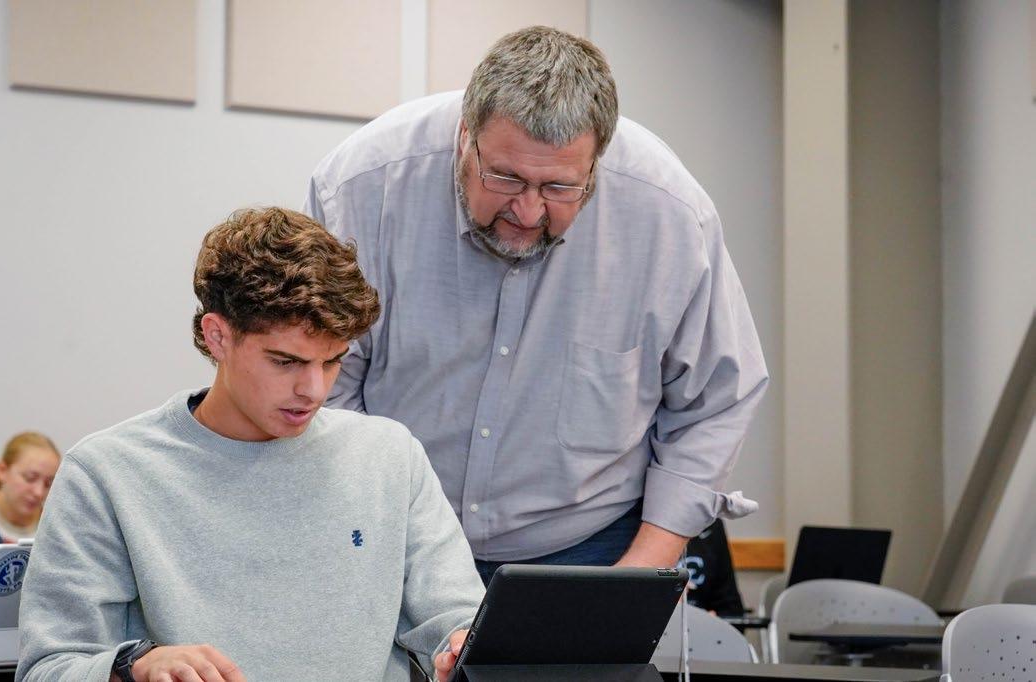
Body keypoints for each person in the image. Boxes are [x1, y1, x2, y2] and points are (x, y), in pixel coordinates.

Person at [306, 26, 769, 584]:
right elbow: (324, 379)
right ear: (465, 136)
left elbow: (716, 401)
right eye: (505, 177)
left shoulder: (670, 215)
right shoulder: (361, 187)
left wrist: (637, 574)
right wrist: (376, 536)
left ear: (596, 163)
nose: (527, 212)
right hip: (392, 527)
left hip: (593, 544)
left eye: (559, 188)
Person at [17, 208, 484, 682]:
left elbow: (457, 620)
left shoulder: (389, 456)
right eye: (285, 361)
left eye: (331, 362)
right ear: (217, 336)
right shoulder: (106, 473)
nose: (314, 390)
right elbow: (49, 668)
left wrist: (463, 645)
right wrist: (132, 666)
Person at [0, 431, 60, 541]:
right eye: (30, 478)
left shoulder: (55, 531)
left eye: (48, 483)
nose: (39, 492)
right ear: (2, 470)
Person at [679, 519, 745, 617]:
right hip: (662, 620)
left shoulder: (711, 524)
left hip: (702, 620)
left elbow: (730, 607)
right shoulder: (655, 524)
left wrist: (713, 619)